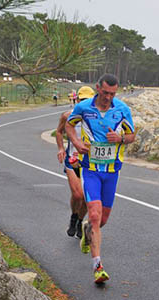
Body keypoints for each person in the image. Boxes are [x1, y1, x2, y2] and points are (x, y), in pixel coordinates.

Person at [65, 74, 135, 284]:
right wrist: (76, 143)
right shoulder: (84, 108)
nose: (108, 97)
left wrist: (121, 138)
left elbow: (132, 136)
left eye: (112, 94)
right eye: (105, 93)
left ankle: (88, 230)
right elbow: (69, 125)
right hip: (91, 169)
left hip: (112, 171)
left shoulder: (122, 109)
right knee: (94, 214)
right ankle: (98, 267)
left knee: (102, 220)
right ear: (98, 88)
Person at [56, 86, 95, 239]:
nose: (84, 103)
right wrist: (60, 148)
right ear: (77, 100)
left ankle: (79, 221)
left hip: (90, 162)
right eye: (82, 100)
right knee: (78, 195)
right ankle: (73, 217)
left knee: (86, 198)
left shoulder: (97, 119)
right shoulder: (68, 116)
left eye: (88, 100)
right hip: (72, 159)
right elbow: (59, 131)